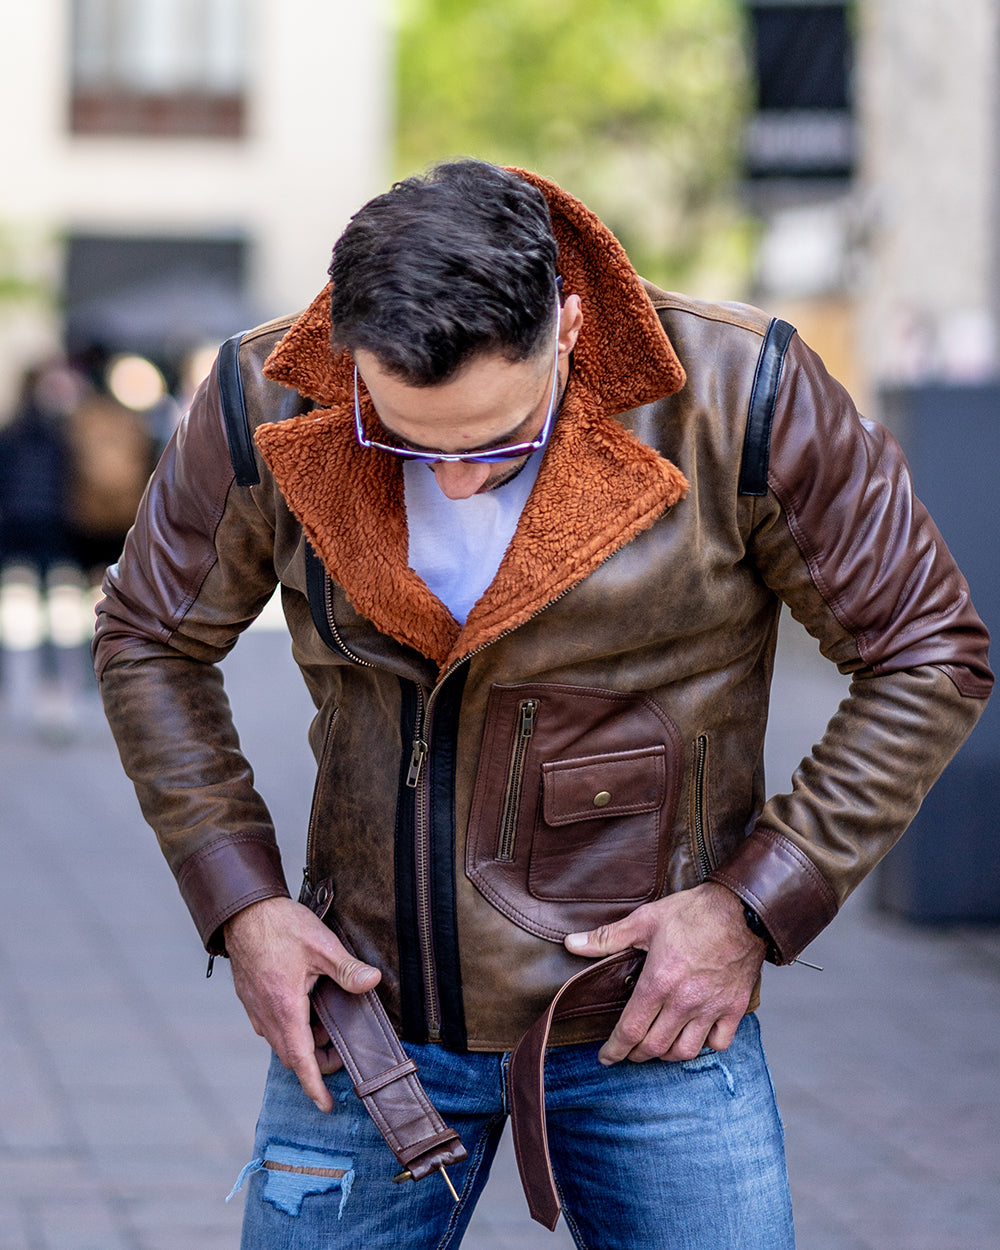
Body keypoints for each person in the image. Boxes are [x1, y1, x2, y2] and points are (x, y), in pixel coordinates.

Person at [93, 161, 992, 1249]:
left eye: (495, 443)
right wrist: (241, 906)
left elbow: (925, 648)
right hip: (365, 1018)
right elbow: (148, 636)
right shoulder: (265, 392)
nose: (453, 478)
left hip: (650, 1017)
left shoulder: (737, 390)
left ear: (568, 325)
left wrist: (753, 905)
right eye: (405, 435)